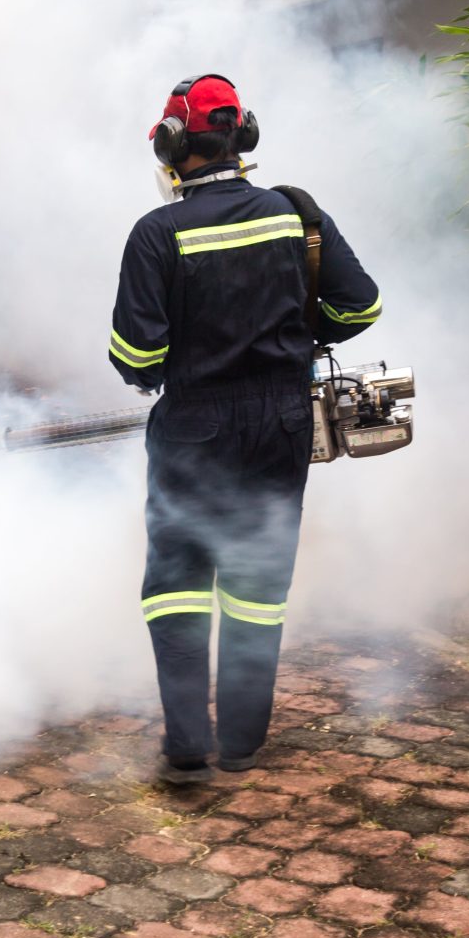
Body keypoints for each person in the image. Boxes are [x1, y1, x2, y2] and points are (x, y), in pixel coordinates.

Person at [109, 73, 382, 784]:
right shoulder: (296, 216)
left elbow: (136, 359)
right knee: (258, 582)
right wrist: (295, 338)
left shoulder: (156, 233)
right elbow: (360, 308)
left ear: (172, 147)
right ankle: (242, 742)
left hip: (194, 426)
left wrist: (166, 364)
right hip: (283, 421)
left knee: (177, 580)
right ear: (243, 137)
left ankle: (188, 747)